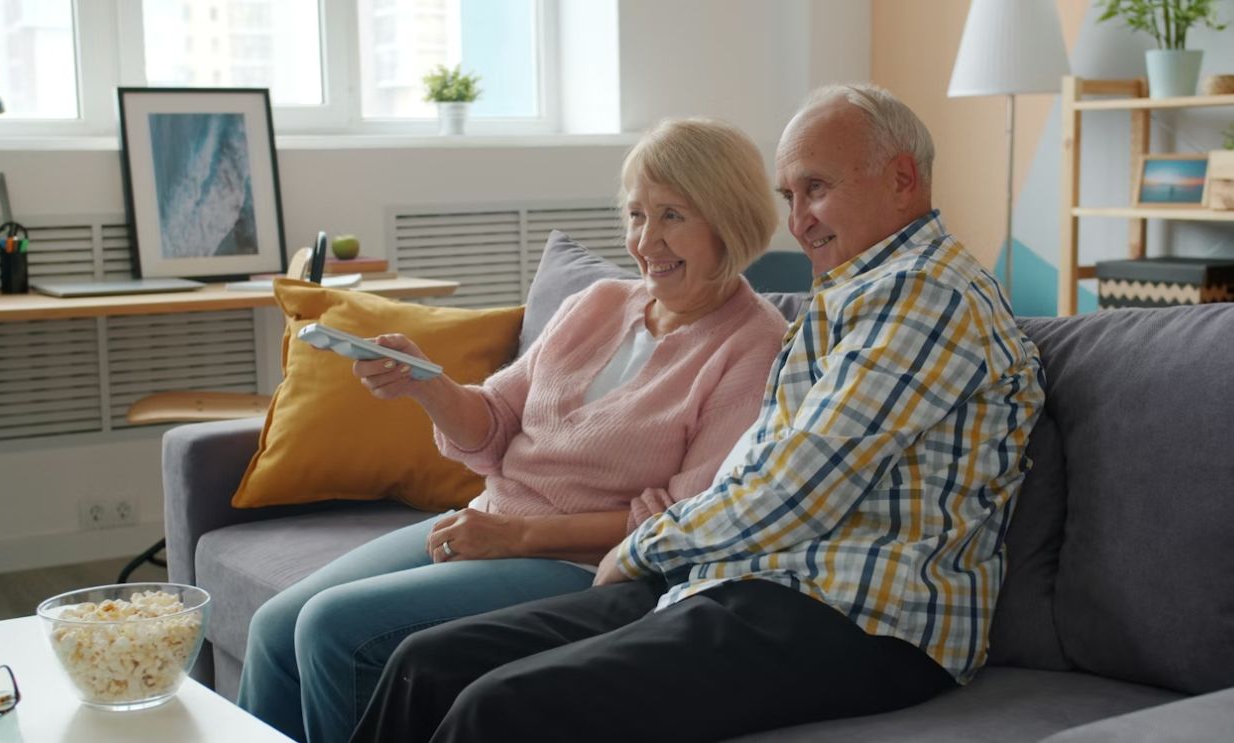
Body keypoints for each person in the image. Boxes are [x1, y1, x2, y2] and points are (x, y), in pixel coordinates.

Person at [348, 83, 1047, 743]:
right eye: (789, 194)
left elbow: (797, 488)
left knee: (496, 706)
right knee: (426, 663)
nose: (798, 219)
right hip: (750, 582)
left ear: (901, 179)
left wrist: (641, 547)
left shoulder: (928, 297)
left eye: (817, 189)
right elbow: (761, 472)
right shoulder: (849, 297)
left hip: (863, 620)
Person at [235, 117, 789, 743]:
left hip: (582, 564)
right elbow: (495, 422)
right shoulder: (603, 302)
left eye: (671, 216)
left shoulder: (755, 344)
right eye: (636, 215)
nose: (645, 241)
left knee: (333, 628)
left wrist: (516, 535)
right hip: (493, 515)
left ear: (729, 219)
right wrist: (428, 385)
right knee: (277, 626)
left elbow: (681, 519)